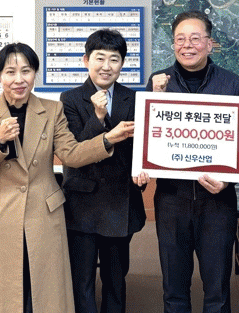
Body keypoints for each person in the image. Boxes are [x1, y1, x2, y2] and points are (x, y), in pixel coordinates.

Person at [0, 42, 134, 313]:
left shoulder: (52, 110)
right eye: (10, 72)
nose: (19, 79)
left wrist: (107, 139)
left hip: (42, 214)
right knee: (1, 295)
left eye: (26, 71)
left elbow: (71, 154)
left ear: (35, 74)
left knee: (43, 293)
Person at [134, 10, 239, 313]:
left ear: (209, 44)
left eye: (195, 39)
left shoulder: (232, 83)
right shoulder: (158, 82)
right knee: (173, 289)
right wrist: (156, 96)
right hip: (172, 199)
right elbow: (147, 137)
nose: (187, 45)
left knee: (218, 290)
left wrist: (228, 181)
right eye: (180, 39)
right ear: (173, 45)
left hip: (218, 202)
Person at [60, 29, 145, 313]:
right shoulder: (70, 99)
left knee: (116, 279)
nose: (106, 66)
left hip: (121, 201)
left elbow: (140, 148)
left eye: (114, 59)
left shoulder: (133, 99)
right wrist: (97, 118)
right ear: (86, 60)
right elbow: (74, 150)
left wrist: (143, 171)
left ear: (122, 64)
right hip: (82, 204)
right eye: (99, 58)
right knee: (81, 280)